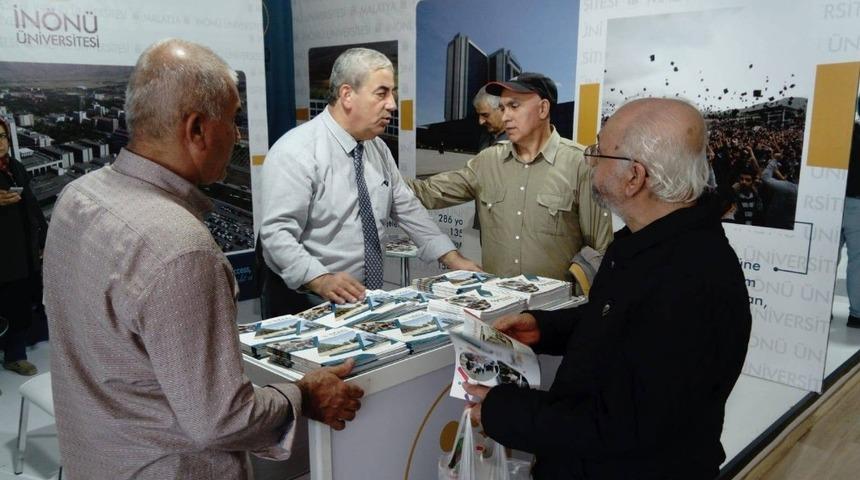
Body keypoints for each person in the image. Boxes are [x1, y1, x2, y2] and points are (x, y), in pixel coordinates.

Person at [43, 39, 364, 480]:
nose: (237, 136)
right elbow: (222, 420)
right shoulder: (182, 249)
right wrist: (302, 396)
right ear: (196, 129)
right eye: (233, 120)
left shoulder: (77, 195)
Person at [463, 98, 752, 479]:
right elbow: (618, 321)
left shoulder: (690, 281)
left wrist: (503, 411)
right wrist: (545, 328)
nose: (590, 160)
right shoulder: (653, 244)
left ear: (634, 177)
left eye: (599, 151)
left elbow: (621, 427)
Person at [259, 47, 478, 316]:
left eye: (392, 93)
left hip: (361, 300)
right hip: (306, 301)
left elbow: (407, 207)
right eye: (382, 93)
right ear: (347, 95)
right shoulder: (296, 151)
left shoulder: (378, 149)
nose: (392, 105)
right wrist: (320, 279)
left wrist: (452, 258)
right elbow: (276, 234)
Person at [407, 73, 612, 281]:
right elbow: (427, 193)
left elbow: (600, 252)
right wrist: (385, 172)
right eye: (503, 108)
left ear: (543, 109)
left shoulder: (581, 164)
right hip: (498, 299)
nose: (505, 117)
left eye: (514, 106)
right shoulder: (487, 162)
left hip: (557, 301)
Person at [0, 116, 47, 376]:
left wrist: (43, 238)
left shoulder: (16, 167)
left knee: (18, 306)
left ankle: (15, 356)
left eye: (2, 136)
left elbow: (32, 206)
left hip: (20, 254)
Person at [842, 95, 860, 328]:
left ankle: (820, 311)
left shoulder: (844, 133)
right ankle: (856, 314)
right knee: (857, 261)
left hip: (829, 202)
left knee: (826, 258)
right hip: (857, 204)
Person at [474, 85, 507, 151]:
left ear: (502, 109)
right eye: (479, 115)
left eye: (485, 115)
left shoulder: (517, 140)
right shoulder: (485, 135)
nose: (481, 122)